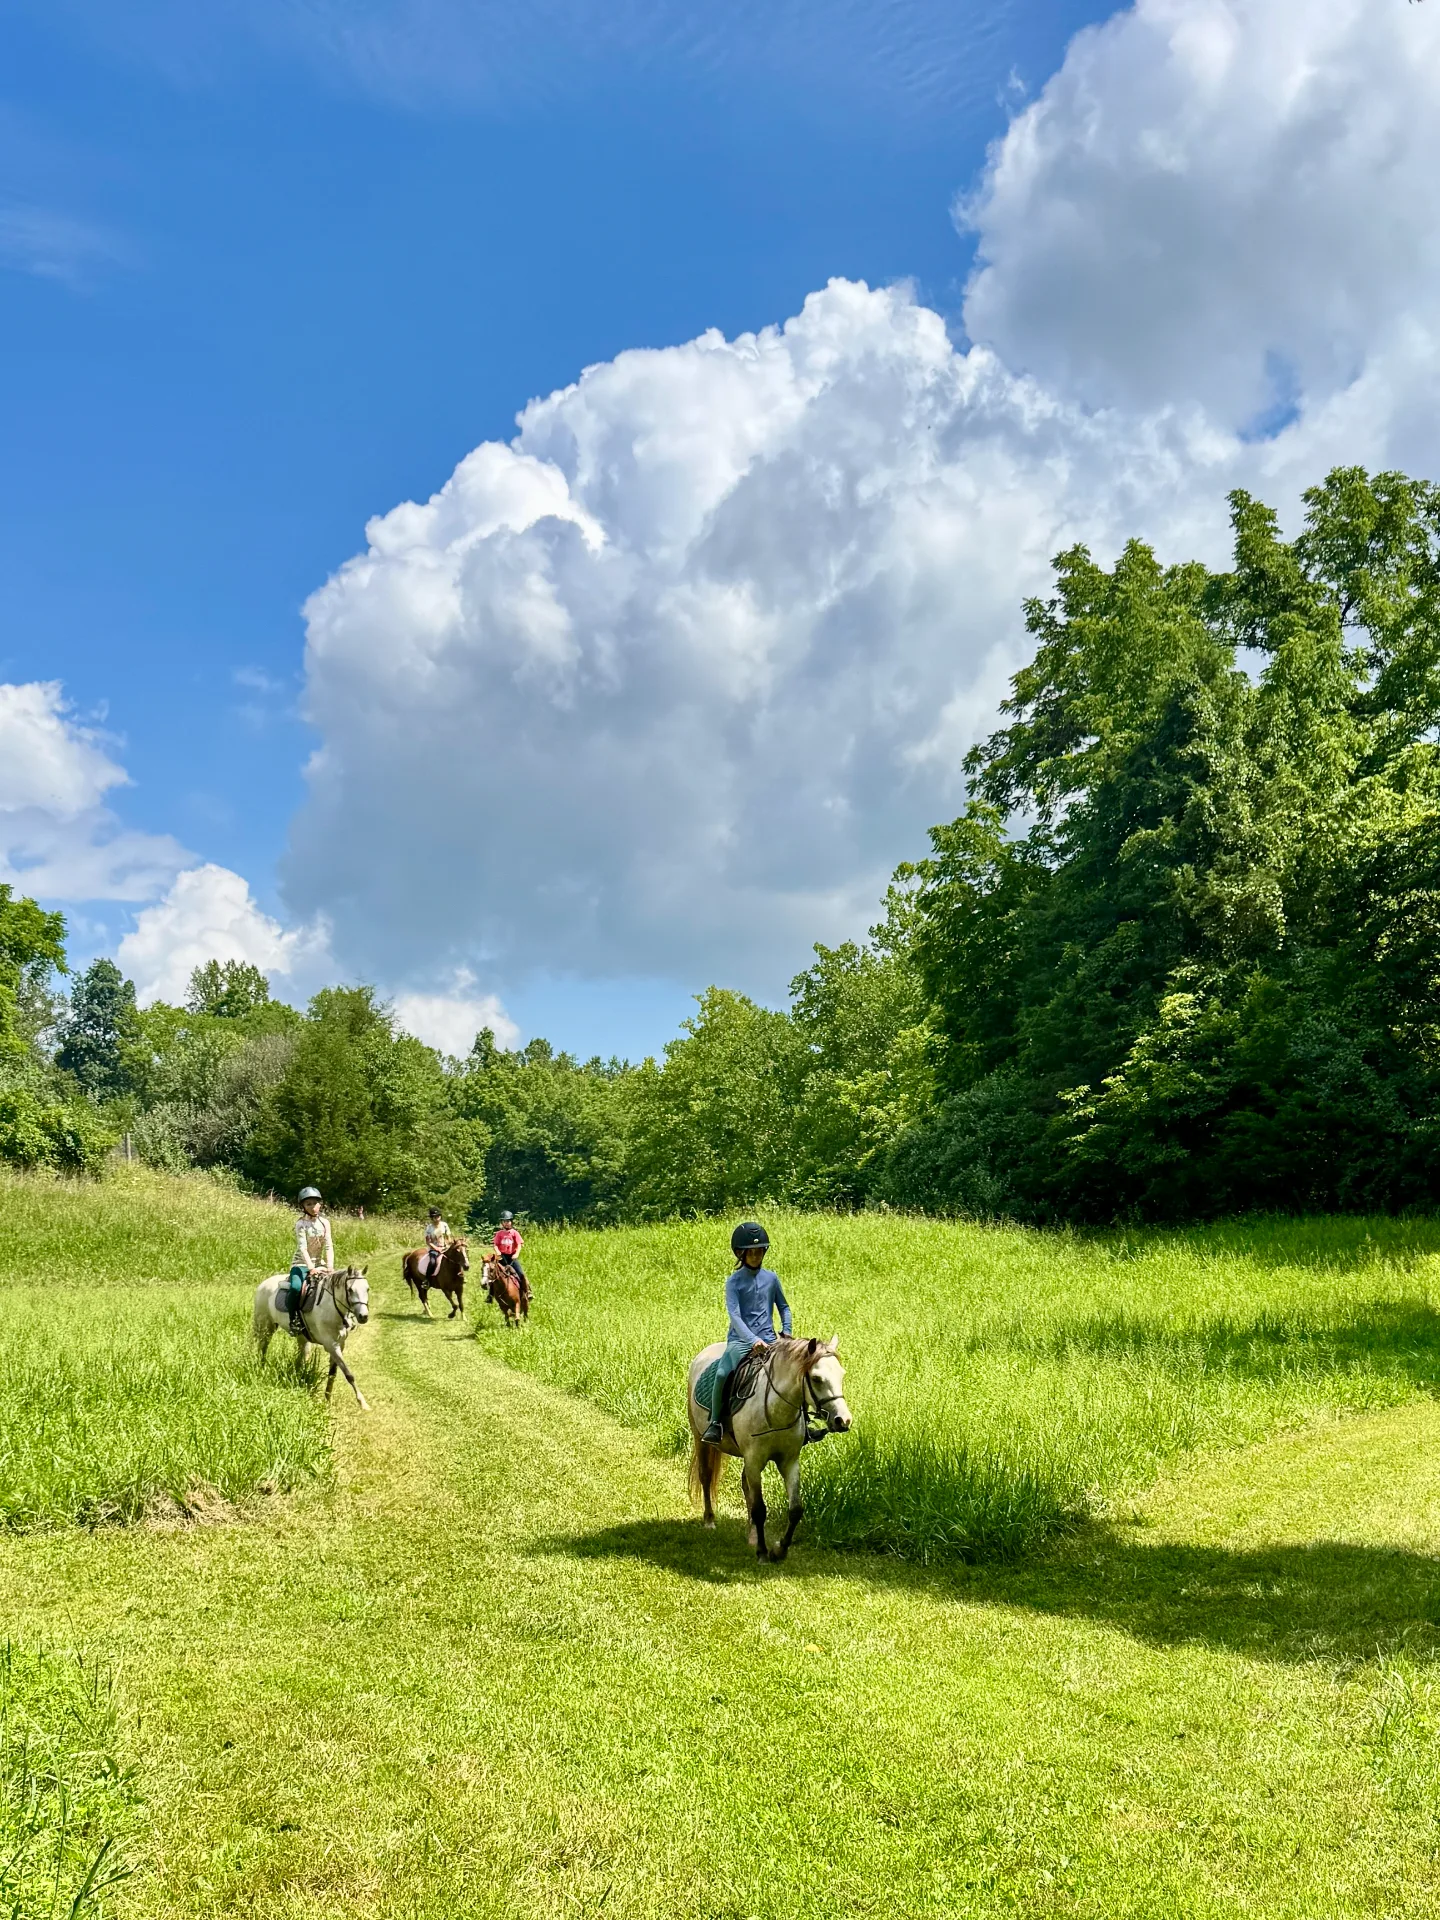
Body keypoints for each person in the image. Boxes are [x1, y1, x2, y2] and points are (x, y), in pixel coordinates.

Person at [700, 1221, 791, 1446]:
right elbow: (735, 1315)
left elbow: (784, 1308)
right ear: (741, 1253)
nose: (756, 1255)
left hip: (771, 1340)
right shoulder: (734, 1282)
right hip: (741, 1341)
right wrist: (752, 1340)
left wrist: (786, 1333)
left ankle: (803, 1424)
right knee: (722, 1374)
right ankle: (715, 1423)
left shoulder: (771, 1278)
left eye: (760, 1251)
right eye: (751, 1252)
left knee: (795, 1371)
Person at [287, 1186, 334, 1331]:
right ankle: (293, 1319)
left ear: (320, 1204)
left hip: (321, 1263)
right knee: (295, 1287)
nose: (313, 1207)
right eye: (308, 1204)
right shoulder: (300, 1224)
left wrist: (330, 1266)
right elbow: (303, 1248)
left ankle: (343, 1317)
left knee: (339, 1285)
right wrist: (311, 1268)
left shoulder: (325, 1223)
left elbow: (328, 1246)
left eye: (315, 1203)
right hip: (301, 1264)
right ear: (303, 1207)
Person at [492, 1211, 529, 1309]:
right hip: (502, 1257)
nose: (506, 1223)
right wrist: (498, 1252)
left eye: (508, 1221)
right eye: (504, 1221)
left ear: (511, 1222)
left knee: (521, 1274)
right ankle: (490, 1294)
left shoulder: (514, 1233)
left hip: (512, 1257)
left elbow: (519, 1244)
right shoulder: (499, 1234)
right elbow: (495, 1244)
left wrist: (516, 1253)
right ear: (502, 1223)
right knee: (493, 1274)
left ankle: (527, 1292)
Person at [424, 1206, 450, 1279]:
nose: (437, 1218)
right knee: (432, 1262)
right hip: (434, 1249)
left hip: (445, 1247)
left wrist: (447, 1245)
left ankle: (461, 1277)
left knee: (457, 1257)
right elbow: (428, 1241)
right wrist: (436, 1248)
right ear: (432, 1218)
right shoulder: (429, 1228)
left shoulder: (444, 1225)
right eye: (435, 1217)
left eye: (438, 1216)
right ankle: (427, 1280)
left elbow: (448, 1237)